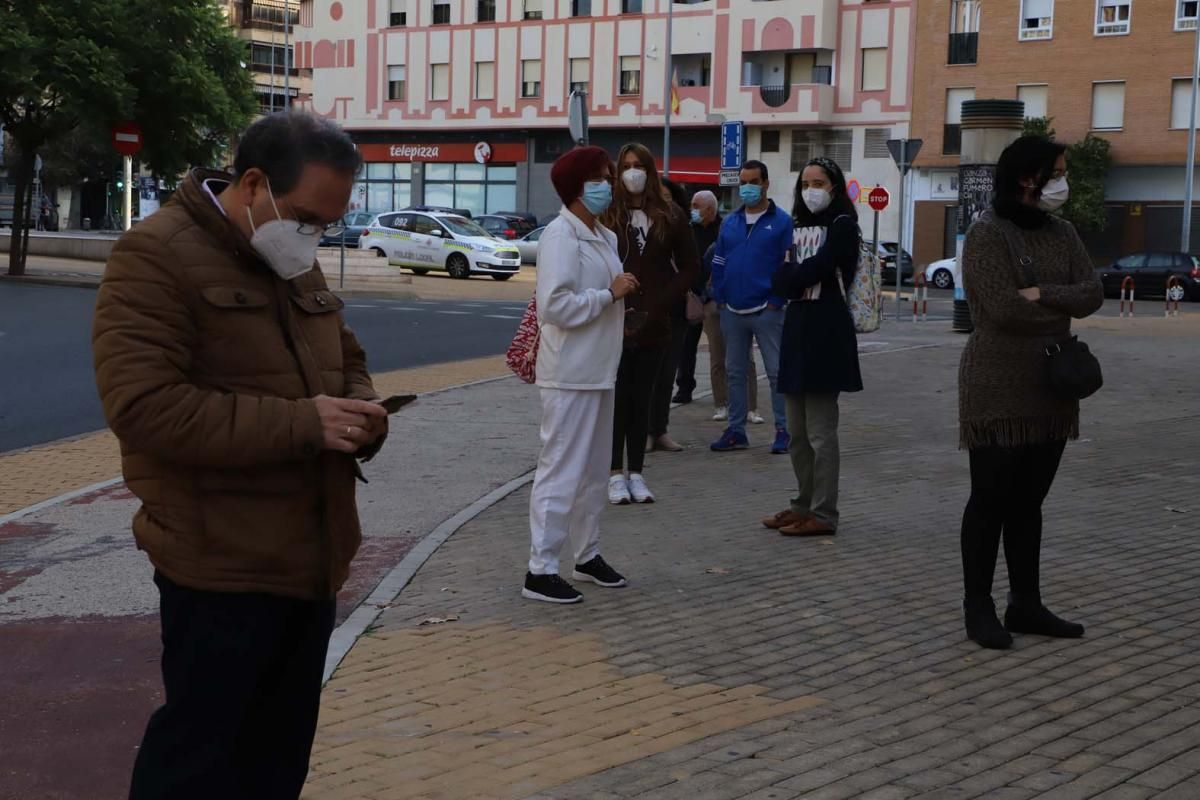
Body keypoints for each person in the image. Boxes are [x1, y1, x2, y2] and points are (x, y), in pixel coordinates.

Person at [92, 112, 390, 799]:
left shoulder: (291, 253)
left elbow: (345, 358)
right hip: (219, 564)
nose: (316, 236)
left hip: (309, 559)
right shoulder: (155, 255)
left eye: (329, 224)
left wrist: (363, 413)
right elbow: (145, 407)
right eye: (310, 217)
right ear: (253, 184)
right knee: (198, 761)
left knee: (276, 761)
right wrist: (305, 425)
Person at [957, 135, 1103, 650]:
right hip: (996, 384)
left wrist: (1043, 293)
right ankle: (979, 606)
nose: (1063, 182)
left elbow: (1093, 293)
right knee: (991, 498)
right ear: (1027, 177)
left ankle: (1026, 603)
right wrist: (1056, 309)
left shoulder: (1062, 232)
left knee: (1030, 500)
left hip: (1052, 384)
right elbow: (1000, 309)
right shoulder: (987, 235)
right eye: (1057, 172)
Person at [524, 145, 639, 604]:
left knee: (593, 473)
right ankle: (540, 568)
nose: (608, 185)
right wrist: (609, 296)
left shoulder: (603, 237)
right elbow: (555, 306)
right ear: (576, 186)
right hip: (568, 372)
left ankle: (586, 554)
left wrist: (618, 295)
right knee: (560, 471)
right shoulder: (560, 236)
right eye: (600, 178)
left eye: (609, 177)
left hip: (599, 371)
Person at [766, 158, 863, 537]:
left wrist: (793, 276)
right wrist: (792, 276)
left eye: (819, 182)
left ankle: (824, 513)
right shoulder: (797, 227)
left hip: (827, 333)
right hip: (797, 332)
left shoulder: (843, 226)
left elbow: (814, 270)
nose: (811, 190)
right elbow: (781, 276)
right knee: (797, 432)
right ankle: (801, 504)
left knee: (821, 432)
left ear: (834, 187)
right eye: (806, 183)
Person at [601, 144, 698, 504]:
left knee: (643, 400)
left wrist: (663, 301)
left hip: (655, 323)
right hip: (613, 320)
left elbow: (690, 266)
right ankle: (613, 473)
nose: (632, 172)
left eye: (638, 165)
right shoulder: (607, 213)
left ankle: (637, 473)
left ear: (650, 170)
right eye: (625, 166)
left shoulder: (668, 214)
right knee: (617, 400)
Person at [709, 159, 792, 454]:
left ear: (766, 184)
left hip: (767, 311)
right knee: (734, 372)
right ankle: (736, 430)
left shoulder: (782, 222)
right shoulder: (730, 222)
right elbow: (718, 261)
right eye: (743, 182)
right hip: (732, 310)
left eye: (753, 182)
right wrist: (719, 296)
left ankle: (784, 430)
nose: (747, 188)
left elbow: (789, 265)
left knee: (776, 372)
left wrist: (776, 301)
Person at [678, 192, 763, 423]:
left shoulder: (737, 241)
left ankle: (750, 407)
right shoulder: (699, 239)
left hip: (737, 305)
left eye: (697, 206)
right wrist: (703, 297)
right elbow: (701, 272)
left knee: (745, 358)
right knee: (711, 354)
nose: (692, 209)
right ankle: (717, 402)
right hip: (709, 304)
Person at [646, 178, 696, 453]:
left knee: (666, 377)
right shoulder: (643, 227)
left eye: (668, 197)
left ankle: (660, 430)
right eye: (658, 196)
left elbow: (692, 265)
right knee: (646, 378)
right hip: (645, 312)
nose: (663, 202)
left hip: (674, 312)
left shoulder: (683, 229)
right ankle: (643, 431)